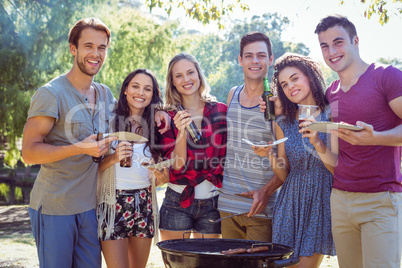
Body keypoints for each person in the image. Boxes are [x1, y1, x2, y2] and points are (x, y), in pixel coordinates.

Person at [21, 18, 169, 267]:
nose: (96, 54)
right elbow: (29, 153)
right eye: (88, 46)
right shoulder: (50, 94)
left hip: (92, 208)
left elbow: (133, 109)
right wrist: (79, 148)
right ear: (73, 48)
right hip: (56, 207)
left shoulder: (104, 94)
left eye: (102, 48)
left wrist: (161, 110)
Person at [314, 15, 402, 268]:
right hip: (340, 199)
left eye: (338, 42)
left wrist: (378, 138)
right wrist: (318, 144)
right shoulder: (331, 92)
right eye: (324, 46)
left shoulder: (387, 77)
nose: (331, 52)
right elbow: (335, 157)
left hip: (381, 201)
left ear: (356, 41)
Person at [257, 53, 336, 268]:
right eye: (283, 84)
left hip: (320, 201)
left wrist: (318, 142)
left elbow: (336, 169)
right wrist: (270, 155)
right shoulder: (285, 121)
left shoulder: (331, 115)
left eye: (294, 78)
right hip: (289, 203)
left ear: (309, 77)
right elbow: (285, 173)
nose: (290, 86)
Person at [97, 69, 169, 268]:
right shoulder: (108, 121)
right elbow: (90, 169)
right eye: (135, 86)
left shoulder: (156, 125)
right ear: (126, 89)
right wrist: (113, 158)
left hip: (145, 203)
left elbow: (163, 171)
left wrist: (162, 177)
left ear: (153, 95)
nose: (141, 92)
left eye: (147, 89)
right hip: (113, 204)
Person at [217, 31, 283, 242]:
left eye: (261, 55)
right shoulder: (232, 94)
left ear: (270, 60)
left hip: (261, 208)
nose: (255, 61)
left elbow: (286, 160)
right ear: (240, 60)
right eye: (249, 55)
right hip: (228, 206)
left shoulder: (278, 102)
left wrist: (265, 192)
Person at [159, 52, 227, 240]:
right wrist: (181, 132)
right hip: (177, 202)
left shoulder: (220, 110)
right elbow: (177, 166)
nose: (186, 79)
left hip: (212, 202)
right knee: (177, 263)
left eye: (190, 72)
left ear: (198, 75)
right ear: (172, 82)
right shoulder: (167, 117)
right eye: (178, 76)